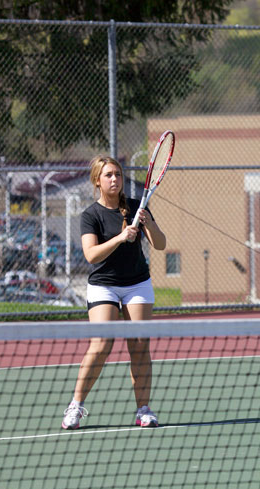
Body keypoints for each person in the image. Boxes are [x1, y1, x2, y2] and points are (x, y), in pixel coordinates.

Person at [61, 156, 167, 429]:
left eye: (118, 174)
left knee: (140, 346)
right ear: (98, 180)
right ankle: (75, 405)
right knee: (101, 345)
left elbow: (160, 245)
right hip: (104, 284)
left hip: (137, 284)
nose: (115, 179)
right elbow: (91, 255)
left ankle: (143, 410)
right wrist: (120, 238)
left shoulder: (136, 207)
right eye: (108, 175)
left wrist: (149, 223)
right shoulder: (90, 215)